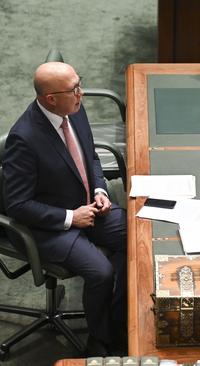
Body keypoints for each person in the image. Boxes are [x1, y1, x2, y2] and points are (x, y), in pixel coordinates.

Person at [2, 62, 127, 356]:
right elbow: (18, 205)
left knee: (137, 239)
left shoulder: (73, 108)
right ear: (50, 99)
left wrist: (99, 190)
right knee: (101, 272)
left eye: (78, 84)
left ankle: (119, 320)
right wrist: (71, 218)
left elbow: (91, 156)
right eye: (74, 89)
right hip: (48, 225)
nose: (81, 93)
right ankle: (100, 340)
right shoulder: (24, 138)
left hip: (89, 206)